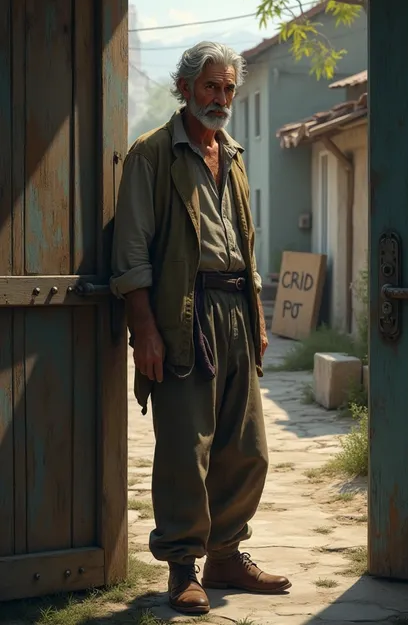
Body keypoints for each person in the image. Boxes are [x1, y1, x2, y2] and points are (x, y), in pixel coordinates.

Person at [111, 41, 291, 615]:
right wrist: (146, 330)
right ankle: (184, 566)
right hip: (184, 314)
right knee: (186, 448)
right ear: (185, 88)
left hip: (237, 308)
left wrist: (258, 316)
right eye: (211, 86)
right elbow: (132, 250)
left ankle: (226, 556)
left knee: (248, 447)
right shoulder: (152, 154)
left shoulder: (232, 152)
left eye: (230, 88)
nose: (222, 98)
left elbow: (246, 243)